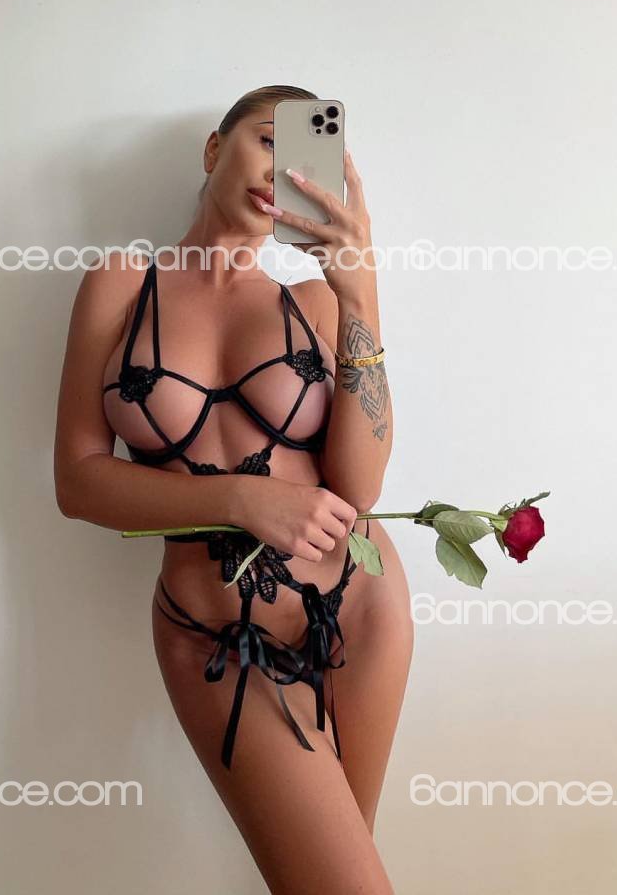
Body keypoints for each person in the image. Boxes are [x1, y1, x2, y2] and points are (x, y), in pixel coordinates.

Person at [54, 85, 413, 894]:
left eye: (303, 155)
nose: (281, 169)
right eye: (267, 140)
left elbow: (358, 484)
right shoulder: (122, 284)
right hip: (215, 636)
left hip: (360, 606)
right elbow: (78, 480)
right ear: (214, 150)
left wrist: (360, 289)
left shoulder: (315, 301)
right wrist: (241, 500)